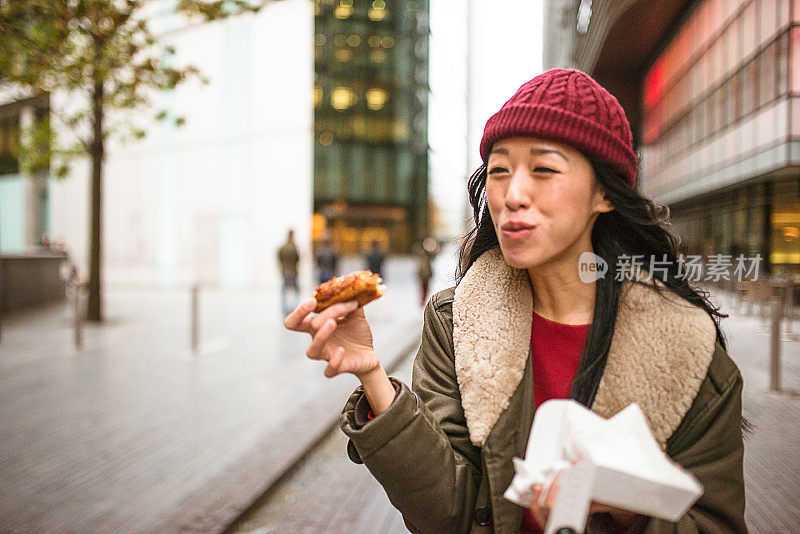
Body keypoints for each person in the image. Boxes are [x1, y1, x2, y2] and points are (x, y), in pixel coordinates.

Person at [284, 69, 745, 533]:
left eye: (543, 170)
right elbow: (447, 515)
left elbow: (716, 523)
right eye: (500, 171)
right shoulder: (457, 321)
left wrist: (630, 510)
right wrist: (372, 374)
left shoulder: (684, 343)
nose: (512, 195)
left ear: (603, 193)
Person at [277, 229, 300, 316]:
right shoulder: (294, 247)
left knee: (284, 291)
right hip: (293, 272)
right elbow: (298, 259)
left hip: (285, 271)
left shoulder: (283, 247)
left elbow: (279, 258)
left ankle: (284, 310)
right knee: (295, 291)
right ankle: (294, 309)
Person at [415, 237, 438, 306]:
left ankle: (423, 302)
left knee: (426, 290)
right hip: (423, 274)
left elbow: (434, 255)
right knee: (424, 290)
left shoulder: (426, 254)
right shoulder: (421, 254)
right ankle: (423, 303)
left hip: (426, 274)